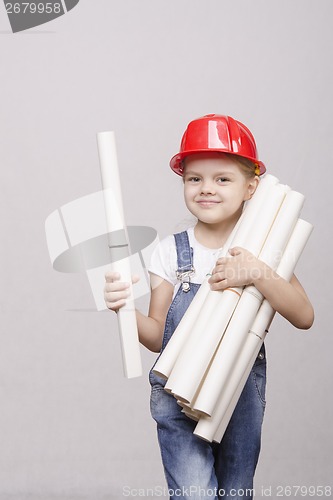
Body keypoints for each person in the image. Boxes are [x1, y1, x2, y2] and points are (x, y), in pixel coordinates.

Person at [104, 114, 314, 500]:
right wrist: (122, 312)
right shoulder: (170, 252)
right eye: (194, 178)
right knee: (195, 494)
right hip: (176, 392)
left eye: (223, 179)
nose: (206, 189)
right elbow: (156, 337)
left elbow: (304, 316)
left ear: (251, 187)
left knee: (236, 493)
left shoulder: (266, 248)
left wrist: (256, 272)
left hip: (237, 393)